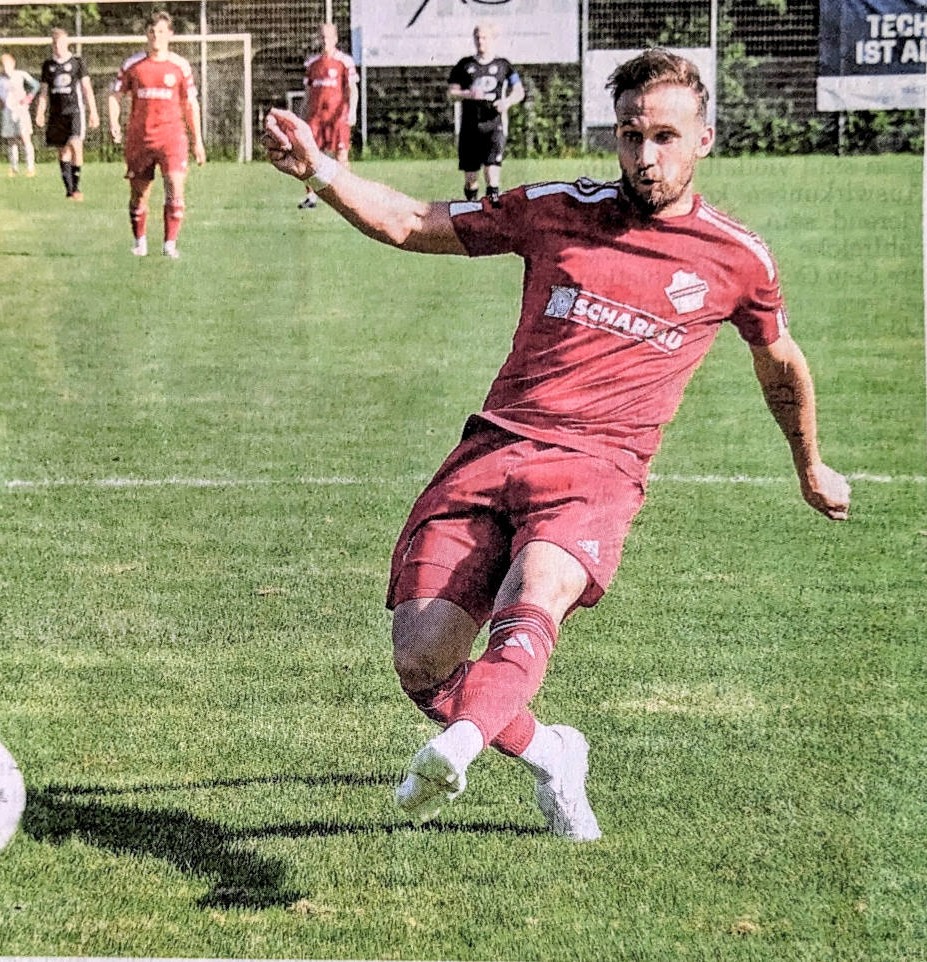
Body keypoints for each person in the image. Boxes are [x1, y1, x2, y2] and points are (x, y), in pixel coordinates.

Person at [261, 49, 851, 839]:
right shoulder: (555, 209)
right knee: (421, 661)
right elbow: (414, 222)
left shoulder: (737, 259)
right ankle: (550, 753)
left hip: (598, 469)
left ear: (704, 139)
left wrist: (808, 464)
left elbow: (779, 359)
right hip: (495, 446)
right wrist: (321, 170)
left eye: (666, 137)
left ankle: (461, 745)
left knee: (532, 599)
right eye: (632, 135)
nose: (647, 156)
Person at [108, 11, 206, 258]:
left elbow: (190, 105)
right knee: (139, 194)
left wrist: (198, 142)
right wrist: (114, 122)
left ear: (170, 34)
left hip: (172, 138)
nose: (156, 36)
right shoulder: (133, 65)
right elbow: (115, 95)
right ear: (146, 34)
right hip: (140, 139)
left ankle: (169, 245)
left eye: (161, 31)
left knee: (174, 185)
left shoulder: (180, 66)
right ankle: (140, 242)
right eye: (152, 32)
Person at [447, 22, 525, 206]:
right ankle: (471, 211)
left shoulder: (503, 65)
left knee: (492, 174)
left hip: (494, 125)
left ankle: (493, 214)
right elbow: (451, 93)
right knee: (471, 179)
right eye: (477, 37)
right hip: (470, 127)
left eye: (484, 37)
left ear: (492, 39)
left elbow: (519, 91)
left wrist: (507, 102)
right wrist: (468, 94)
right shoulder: (464, 65)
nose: (480, 41)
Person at [297, 22, 358, 209]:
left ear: (335, 39)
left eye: (329, 37)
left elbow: (352, 89)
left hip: (337, 117)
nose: (325, 41)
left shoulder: (345, 61)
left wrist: (352, 110)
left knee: (341, 156)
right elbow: (307, 94)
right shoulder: (312, 63)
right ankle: (311, 197)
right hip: (315, 118)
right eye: (322, 37)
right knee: (309, 156)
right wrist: (301, 117)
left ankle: (347, 196)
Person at [35, 28, 100, 201]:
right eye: (55, 43)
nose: (58, 47)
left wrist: (93, 111)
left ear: (67, 43)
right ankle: (69, 190)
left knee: (76, 145)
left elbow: (87, 88)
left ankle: (77, 188)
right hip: (56, 114)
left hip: (75, 111)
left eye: (61, 43)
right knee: (63, 152)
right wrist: (40, 112)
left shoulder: (77, 63)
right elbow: (43, 91)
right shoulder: (48, 66)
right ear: (52, 45)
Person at [0, 53, 40, 178]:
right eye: (3, 65)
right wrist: (0, 106)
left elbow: (36, 85)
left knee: (25, 138)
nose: (5, 68)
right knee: (11, 140)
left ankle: (31, 168)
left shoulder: (21, 75)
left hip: (21, 111)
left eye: (7, 65)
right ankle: (14, 168)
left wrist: (29, 97)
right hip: (8, 112)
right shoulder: (0, 80)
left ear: (13, 64)